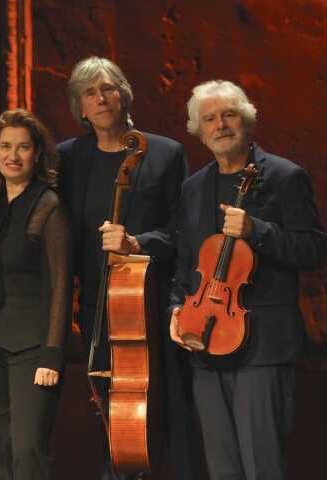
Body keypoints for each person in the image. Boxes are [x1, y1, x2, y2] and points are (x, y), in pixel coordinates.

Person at [169, 80, 327, 480]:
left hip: (263, 347)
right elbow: (187, 263)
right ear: (198, 130)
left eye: (229, 115)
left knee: (263, 467)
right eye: (209, 119)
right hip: (205, 341)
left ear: (247, 120)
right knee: (222, 468)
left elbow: (314, 249)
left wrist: (258, 230)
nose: (220, 125)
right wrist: (175, 308)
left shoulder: (285, 177)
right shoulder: (193, 188)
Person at [55, 56, 197, 480]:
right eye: (90, 93)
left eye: (108, 88)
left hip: (150, 301)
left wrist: (139, 243)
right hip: (98, 306)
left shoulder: (165, 154)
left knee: (166, 411)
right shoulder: (68, 158)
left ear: (124, 95)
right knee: (109, 412)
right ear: (80, 108)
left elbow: (182, 231)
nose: (101, 99)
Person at [0, 109, 72, 480]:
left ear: (37, 154)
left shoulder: (49, 207)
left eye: (23, 147)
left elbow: (61, 284)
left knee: (27, 452)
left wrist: (52, 354)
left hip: (32, 350)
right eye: (6, 146)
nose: (13, 155)